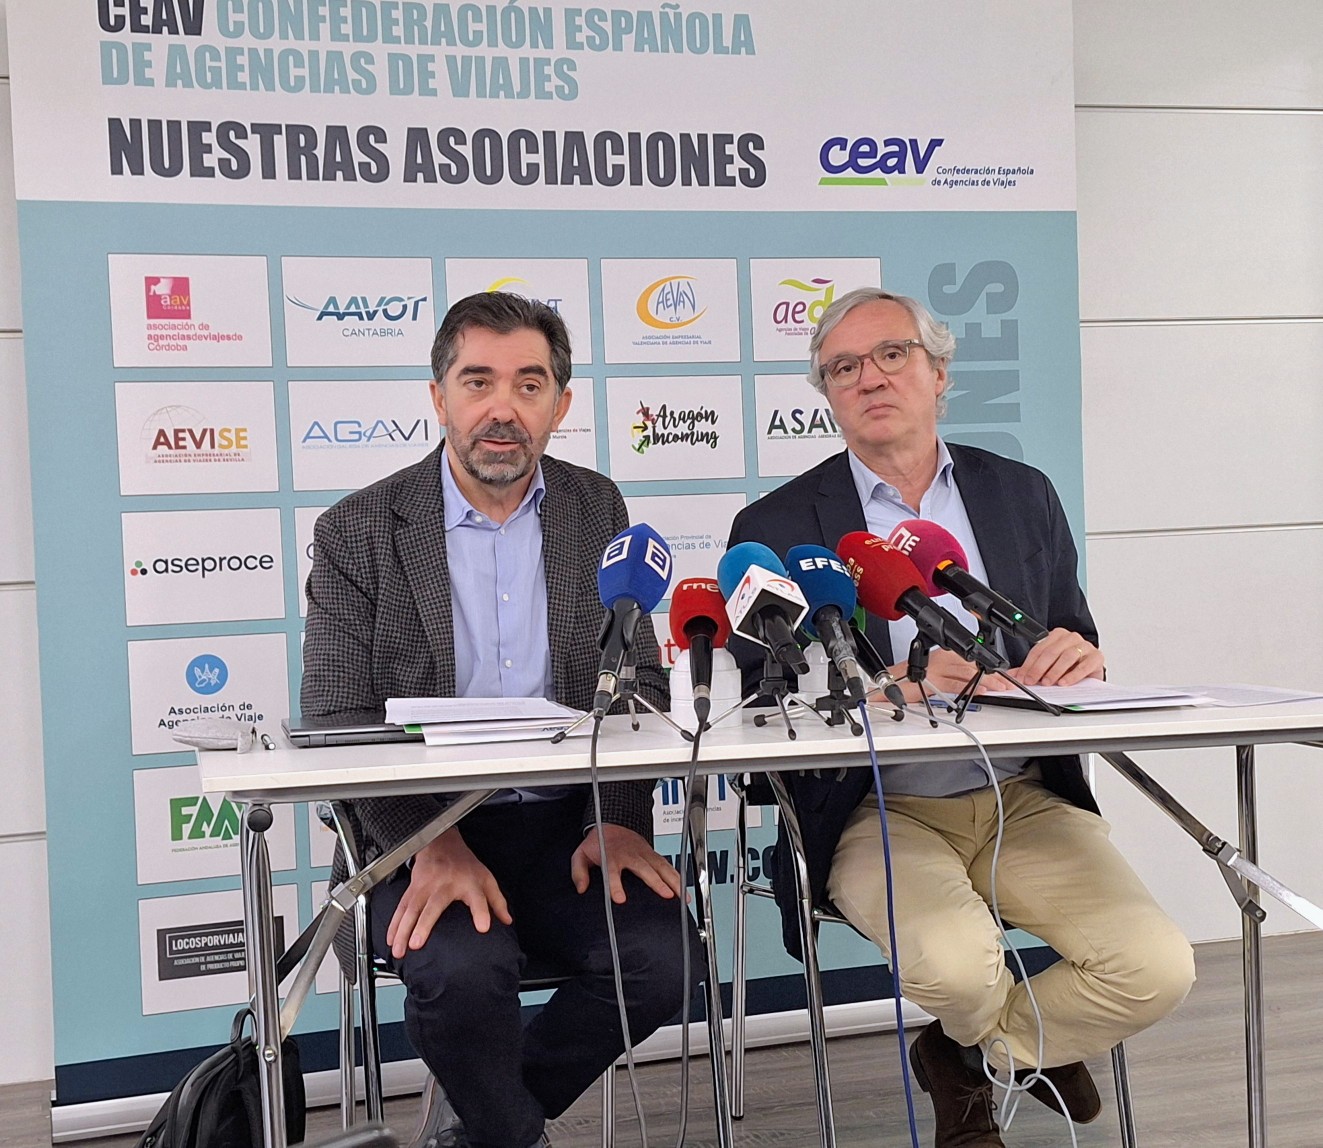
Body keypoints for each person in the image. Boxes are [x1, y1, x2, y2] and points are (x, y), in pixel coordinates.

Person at [726, 288, 1195, 1147]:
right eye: (842, 367)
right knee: (955, 967)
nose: (870, 378)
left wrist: (1078, 658)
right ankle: (1021, 1042)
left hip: (1023, 797)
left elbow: (1071, 632)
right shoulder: (777, 525)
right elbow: (763, 698)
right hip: (875, 806)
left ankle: (964, 1056)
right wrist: (881, 687)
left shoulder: (1019, 493)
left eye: (891, 355)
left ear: (938, 373)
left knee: (1155, 968)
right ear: (827, 394)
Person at [301, 292, 697, 1148]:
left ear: (560, 403)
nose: (502, 408)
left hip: (566, 822)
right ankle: (506, 1130)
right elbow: (334, 715)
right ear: (438, 397)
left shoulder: (596, 506)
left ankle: (484, 1125)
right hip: (421, 822)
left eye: (529, 384)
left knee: (663, 963)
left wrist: (615, 819)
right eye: (477, 381)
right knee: (462, 971)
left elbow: (635, 689)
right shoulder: (357, 529)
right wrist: (428, 843)